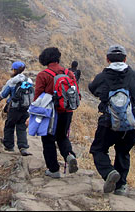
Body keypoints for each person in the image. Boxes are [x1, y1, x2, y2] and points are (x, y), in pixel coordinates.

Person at [88, 45, 135, 195]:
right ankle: (120, 186)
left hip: (108, 124)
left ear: (107, 59)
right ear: (125, 59)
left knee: (98, 149)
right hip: (131, 125)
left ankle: (108, 172)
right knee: (123, 152)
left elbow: (93, 89)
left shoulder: (102, 77)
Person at [34, 47, 79, 178]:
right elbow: (75, 93)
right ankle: (69, 156)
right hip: (67, 110)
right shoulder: (69, 73)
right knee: (62, 136)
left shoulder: (43, 75)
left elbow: (37, 97)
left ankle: (53, 170)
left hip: (50, 111)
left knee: (48, 139)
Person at [0, 61, 33, 156]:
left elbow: (4, 94)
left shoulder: (12, 81)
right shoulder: (28, 80)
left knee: (9, 126)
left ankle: (9, 146)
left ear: (15, 70)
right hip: (25, 108)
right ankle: (23, 147)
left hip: (14, 108)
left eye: (12, 69)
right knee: (22, 127)